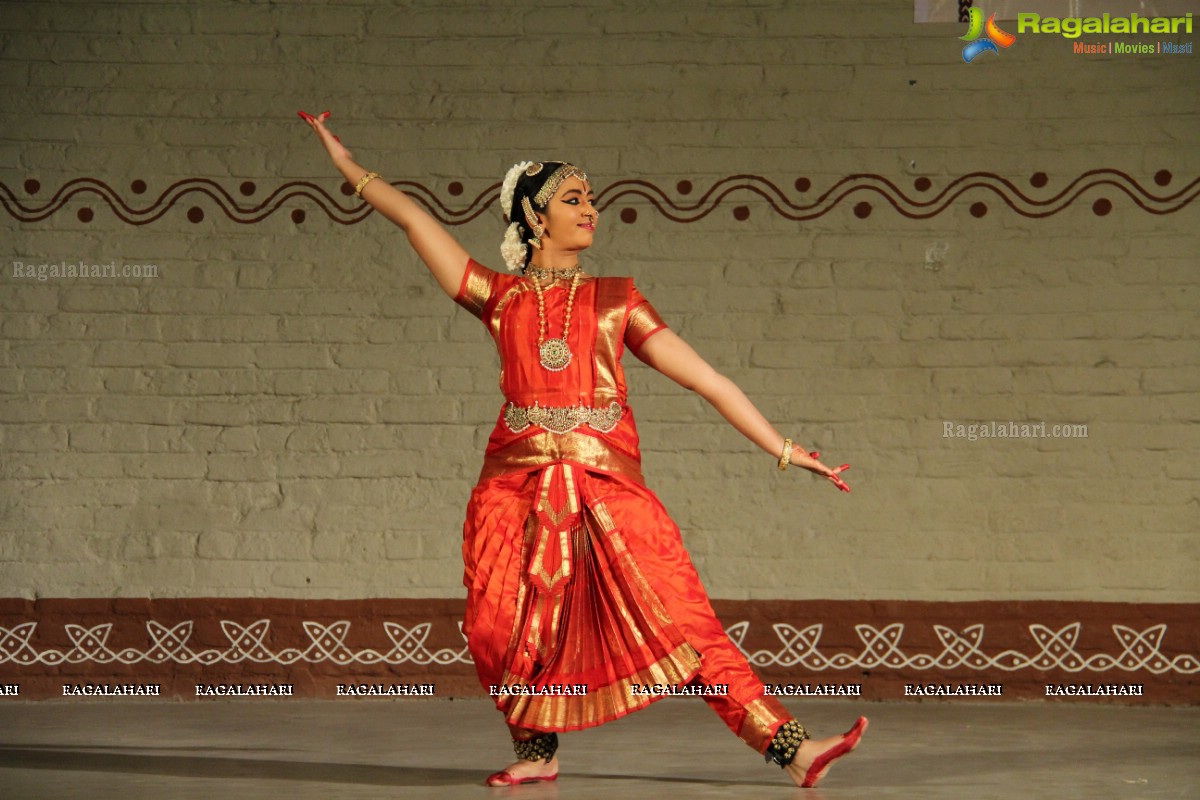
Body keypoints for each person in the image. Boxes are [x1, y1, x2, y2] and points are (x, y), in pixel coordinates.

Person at [298, 110, 867, 789]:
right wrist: (348, 165)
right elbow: (416, 221)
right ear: (535, 216)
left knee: (683, 622)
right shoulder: (497, 295)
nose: (591, 210)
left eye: (591, 198)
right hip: (515, 490)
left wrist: (784, 448)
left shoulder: (616, 300)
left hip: (609, 489)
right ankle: (537, 754)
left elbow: (708, 378)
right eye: (574, 199)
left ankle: (795, 749)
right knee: (497, 625)